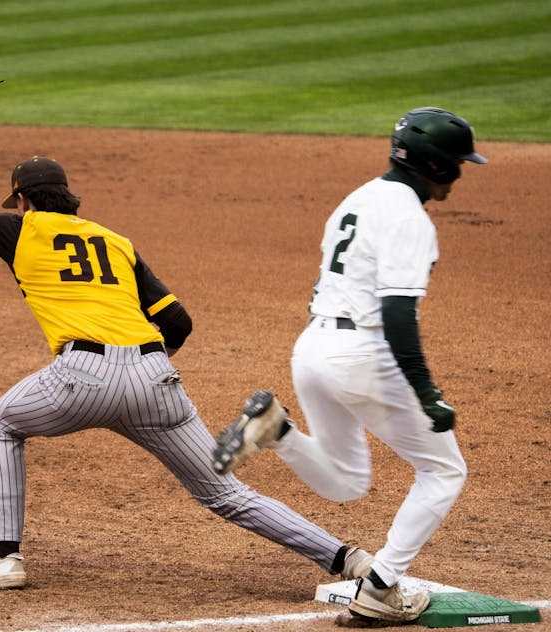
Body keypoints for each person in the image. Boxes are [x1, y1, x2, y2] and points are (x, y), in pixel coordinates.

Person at [0, 87, 372, 591]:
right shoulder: (115, 242)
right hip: (157, 377)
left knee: (1, 424)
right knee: (226, 494)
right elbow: (177, 322)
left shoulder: (17, 229)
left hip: (80, 377)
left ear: (23, 200)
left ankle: (6, 558)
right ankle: (348, 558)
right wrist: (141, 368)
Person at [212, 107, 485, 623]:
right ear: (439, 166)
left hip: (312, 349)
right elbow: (398, 314)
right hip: (362, 354)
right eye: (458, 163)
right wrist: (427, 393)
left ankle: (278, 429)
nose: (461, 172)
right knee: (444, 470)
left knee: (345, 483)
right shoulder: (409, 217)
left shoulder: (356, 200)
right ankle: (381, 589)